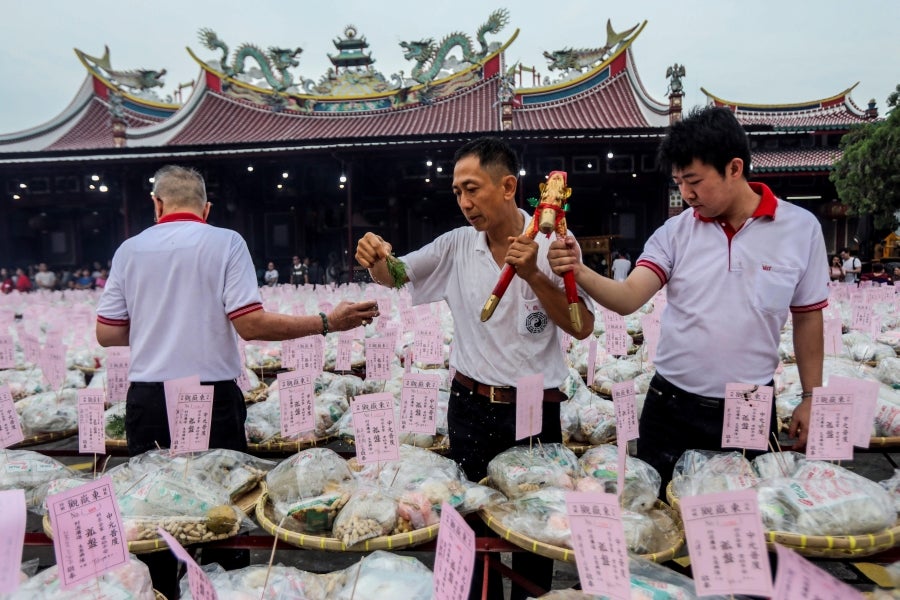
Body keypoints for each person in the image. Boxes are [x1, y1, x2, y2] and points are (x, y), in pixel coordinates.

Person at [96, 165, 379, 598]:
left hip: (149, 402)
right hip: (212, 399)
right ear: (206, 209)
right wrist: (327, 321)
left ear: (157, 204)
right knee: (223, 517)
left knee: (151, 518)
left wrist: (160, 324)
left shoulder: (128, 251)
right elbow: (250, 325)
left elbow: (108, 333)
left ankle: (159, 592)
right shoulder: (226, 241)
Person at [356, 136, 595, 600]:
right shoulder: (455, 246)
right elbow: (398, 275)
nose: (464, 203)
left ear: (508, 187)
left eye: (472, 189)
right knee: (465, 527)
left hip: (533, 411)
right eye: (457, 192)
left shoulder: (554, 243)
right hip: (470, 406)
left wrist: (533, 275)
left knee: (534, 527)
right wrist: (377, 260)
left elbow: (582, 324)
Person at [549, 106, 828, 491]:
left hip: (749, 407)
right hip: (672, 406)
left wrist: (812, 396)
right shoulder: (675, 233)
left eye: (694, 180)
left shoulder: (800, 229)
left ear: (734, 168)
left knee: (741, 524)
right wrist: (579, 270)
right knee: (658, 516)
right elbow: (629, 297)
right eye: (679, 181)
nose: (686, 193)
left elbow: (809, 318)